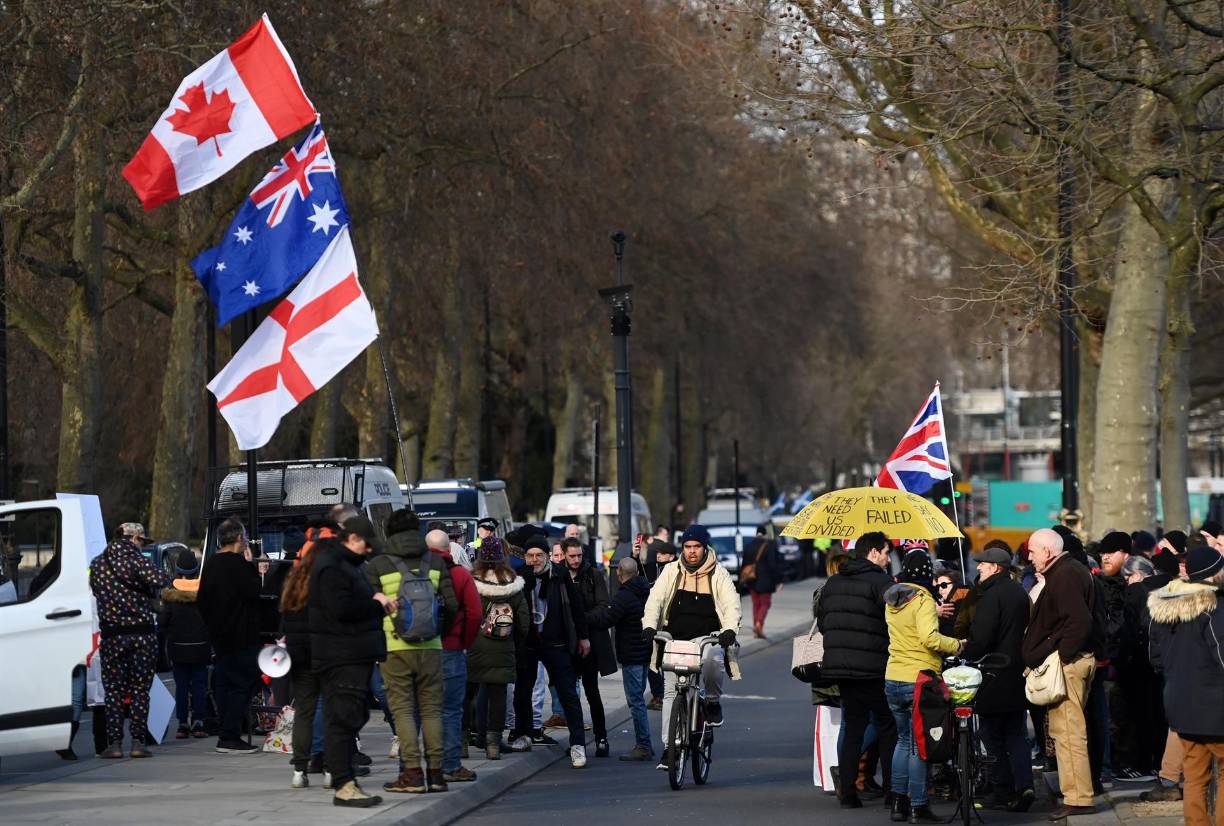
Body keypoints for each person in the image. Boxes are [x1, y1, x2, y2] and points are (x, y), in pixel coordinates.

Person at [366, 509, 459, 795]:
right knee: (432, 710)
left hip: (395, 647)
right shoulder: (434, 560)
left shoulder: (379, 564)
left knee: (403, 710)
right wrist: (437, 634)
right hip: (431, 647)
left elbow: (369, 609)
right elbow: (452, 606)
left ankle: (412, 773)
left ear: (389, 533)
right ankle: (437, 773)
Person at [308, 515, 395, 808]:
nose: (368, 552)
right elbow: (341, 609)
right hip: (341, 655)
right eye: (366, 546)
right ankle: (343, 783)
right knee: (342, 719)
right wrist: (375, 604)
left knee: (349, 717)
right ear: (353, 539)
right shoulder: (333, 567)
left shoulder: (344, 565)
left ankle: (346, 781)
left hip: (350, 654)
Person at [641, 524, 741, 771]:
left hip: (707, 638)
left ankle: (712, 702)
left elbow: (731, 604)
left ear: (704, 547)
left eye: (696, 547)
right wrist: (649, 626)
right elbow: (655, 600)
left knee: (711, 660)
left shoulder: (719, 574)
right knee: (670, 693)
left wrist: (729, 630)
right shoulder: (670, 571)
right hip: (675, 640)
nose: (692, 552)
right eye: (687, 547)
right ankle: (670, 748)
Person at [1020, 527, 1098, 820]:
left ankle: (1078, 797)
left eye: (1032, 551)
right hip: (1072, 661)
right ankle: (1075, 794)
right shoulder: (1068, 571)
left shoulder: (1064, 575)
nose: (1029, 557)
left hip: (1069, 665)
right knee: (1064, 732)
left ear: (1048, 552)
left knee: (1068, 734)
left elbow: (1078, 621)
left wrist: (1063, 656)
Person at [816, 530, 897, 809]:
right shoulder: (882, 582)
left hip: (841, 668)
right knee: (888, 727)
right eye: (886, 553)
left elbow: (825, 622)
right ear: (873, 552)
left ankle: (848, 793)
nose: (888, 559)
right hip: (875, 666)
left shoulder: (834, 582)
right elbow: (895, 622)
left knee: (853, 729)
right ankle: (891, 791)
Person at [883, 549, 963, 823]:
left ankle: (897, 803)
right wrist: (956, 644)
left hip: (893, 676)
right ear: (927, 573)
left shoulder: (893, 599)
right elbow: (929, 639)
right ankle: (918, 805)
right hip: (918, 677)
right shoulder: (923, 600)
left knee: (903, 741)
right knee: (919, 745)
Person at [1147, 544, 1224, 826]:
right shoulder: (1215, 606)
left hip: (1180, 703)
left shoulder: (1166, 606)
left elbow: (1155, 656)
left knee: (1194, 777)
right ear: (1215, 574)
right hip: (1216, 706)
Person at [510, 532, 592, 768]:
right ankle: (523, 734)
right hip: (529, 641)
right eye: (529, 555)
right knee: (522, 690)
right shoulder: (520, 577)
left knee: (567, 692)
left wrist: (583, 637)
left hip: (556, 641)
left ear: (547, 556)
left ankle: (577, 744)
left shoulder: (560, 575)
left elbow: (576, 607)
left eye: (538, 555)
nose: (534, 560)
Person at [961, 545, 1034, 812]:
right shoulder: (1018, 591)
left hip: (994, 671)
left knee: (990, 733)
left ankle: (1002, 788)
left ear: (996, 568)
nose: (978, 567)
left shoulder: (992, 595)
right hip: (1017, 670)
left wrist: (965, 650)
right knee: (1015, 733)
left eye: (983, 564)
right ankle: (1025, 785)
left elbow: (982, 637)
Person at [90, 527, 171, 758]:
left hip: (112, 636)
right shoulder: (137, 561)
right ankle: (137, 742)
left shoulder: (97, 563)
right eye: (142, 542)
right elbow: (162, 580)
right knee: (139, 690)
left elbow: (96, 591)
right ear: (134, 538)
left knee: (113, 691)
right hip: (141, 634)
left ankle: (114, 744)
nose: (142, 546)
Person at [197, 518, 264, 755]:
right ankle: (230, 735)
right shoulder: (237, 564)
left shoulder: (212, 564)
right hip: (242, 635)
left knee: (224, 685)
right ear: (239, 539)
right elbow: (253, 590)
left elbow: (202, 599)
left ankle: (226, 731)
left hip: (220, 636)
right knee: (243, 684)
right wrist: (253, 568)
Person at [426, 528, 482, 783]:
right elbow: (475, 614)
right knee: (450, 710)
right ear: (450, 549)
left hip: (421, 649)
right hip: (451, 648)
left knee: (423, 710)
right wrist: (464, 641)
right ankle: (450, 764)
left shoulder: (415, 572)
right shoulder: (460, 574)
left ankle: (420, 765)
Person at [465, 537, 529, 760]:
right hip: (503, 647)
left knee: (468, 694)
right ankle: (493, 744)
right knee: (499, 696)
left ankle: (463, 742)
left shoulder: (471, 583)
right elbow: (524, 621)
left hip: (473, 647)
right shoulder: (513, 585)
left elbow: (463, 614)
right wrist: (514, 644)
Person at [587, 557, 654, 761]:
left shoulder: (623, 596)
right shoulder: (646, 591)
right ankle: (645, 743)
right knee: (639, 697)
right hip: (645, 652)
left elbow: (607, 619)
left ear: (619, 574)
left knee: (635, 701)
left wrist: (584, 617)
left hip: (631, 654)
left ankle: (643, 745)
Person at [564, 536, 616, 757]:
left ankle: (601, 736)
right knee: (569, 694)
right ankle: (576, 740)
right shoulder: (559, 575)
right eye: (572, 556)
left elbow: (604, 606)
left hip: (590, 641)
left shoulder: (593, 575)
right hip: (567, 642)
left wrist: (580, 619)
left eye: (578, 555)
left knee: (591, 690)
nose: (576, 560)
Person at [160, 549, 212, 740]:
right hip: (200, 646)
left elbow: (163, 623)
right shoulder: (204, 593)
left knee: (181, 686)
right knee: (199, 685)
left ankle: (182, 723)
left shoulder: (170, 596)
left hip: (177, 647)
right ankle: (199, 721)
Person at [743, 526, 784, 639]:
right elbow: (773, 565)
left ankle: (756, 625)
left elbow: (744, 564)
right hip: (766, 580)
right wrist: (779, 580)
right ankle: (759, 623)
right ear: (765, 534)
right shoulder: (769, 545)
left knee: (756, 604)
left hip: (751, 580)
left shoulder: (749, 545)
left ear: (756, 533)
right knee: (765, 603)